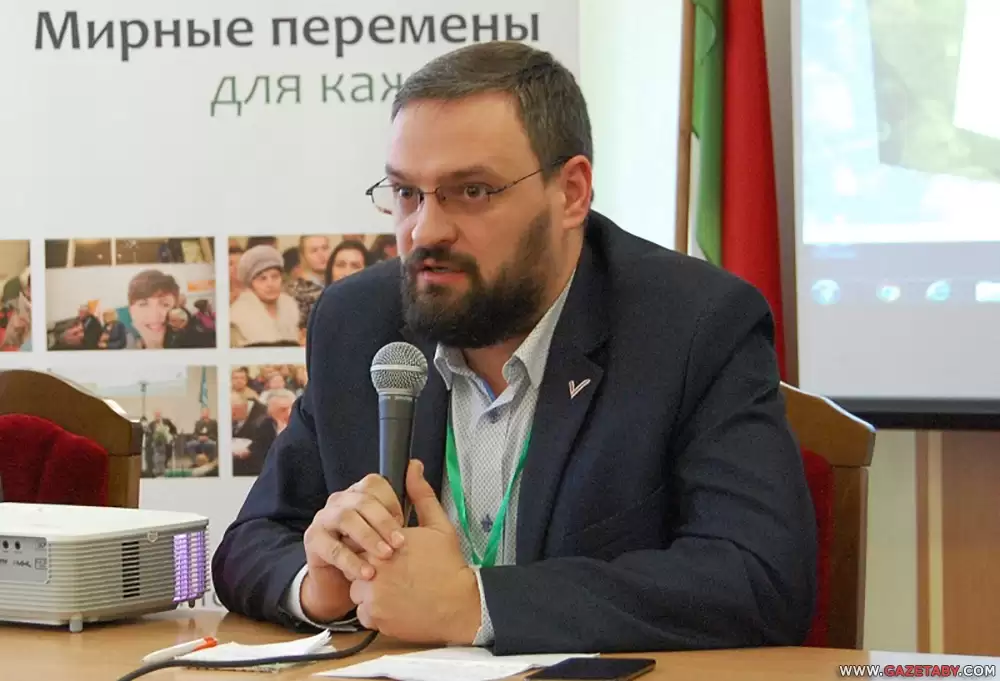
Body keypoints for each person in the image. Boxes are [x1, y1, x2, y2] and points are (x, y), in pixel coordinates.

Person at [212, 41, 817, 655]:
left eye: (472, 191)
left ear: (571, 192)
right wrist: (320, 585)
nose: (425, 230)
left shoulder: (693, 325)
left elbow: (760, 578)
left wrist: (474, 604)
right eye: (406, 193)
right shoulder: (358, 322)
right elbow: (250, 543)